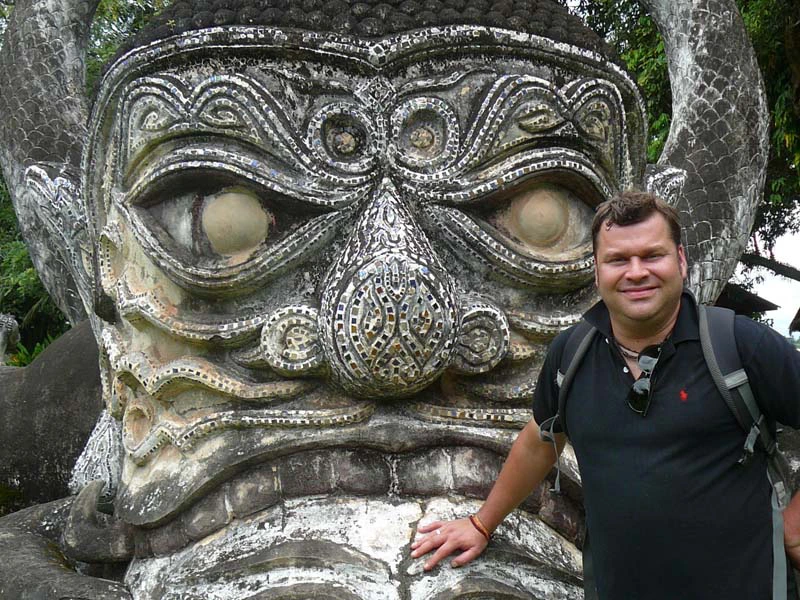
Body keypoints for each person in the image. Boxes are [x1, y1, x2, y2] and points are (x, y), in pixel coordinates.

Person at [411, 190, 800, 599]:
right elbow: (540, 440)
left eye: (652, 255)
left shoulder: (738, 344)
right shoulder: (572, 353)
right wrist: (480, 524)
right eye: (618, 260)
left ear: (681, 261)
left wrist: (793, 527)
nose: (636, 272)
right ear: (597, 271)